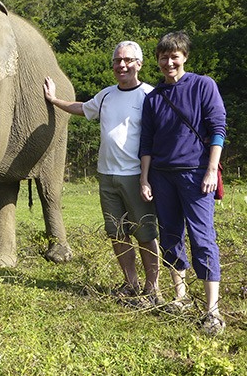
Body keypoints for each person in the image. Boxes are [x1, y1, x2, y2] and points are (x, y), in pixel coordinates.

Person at [44, 41, 160, 307]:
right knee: (117, 233)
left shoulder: (149, 96)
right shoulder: (106, 95)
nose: (122, 65)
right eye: (118, 61)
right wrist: (53, 100)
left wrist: (148, 176)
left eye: (128, 60)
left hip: (136, 176)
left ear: (139, 64)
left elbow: (158, 137)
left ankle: (153, 289)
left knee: (145, 233)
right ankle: (130, 284)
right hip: (106, 176)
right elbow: (82, 108)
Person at [139, 31, 226, 335]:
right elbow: (146, 142)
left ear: (185, 56)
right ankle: (181, 296)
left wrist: (211, 170)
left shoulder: (204, 86)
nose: (169, 62)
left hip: (196, 174)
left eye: (174, 56)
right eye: (163, 57)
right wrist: (145, 178)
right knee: (171, 237)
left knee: (202, 238)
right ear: (158, 61)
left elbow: (218, 128)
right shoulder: (153, 98)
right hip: (161, 176)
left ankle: (212, 310)